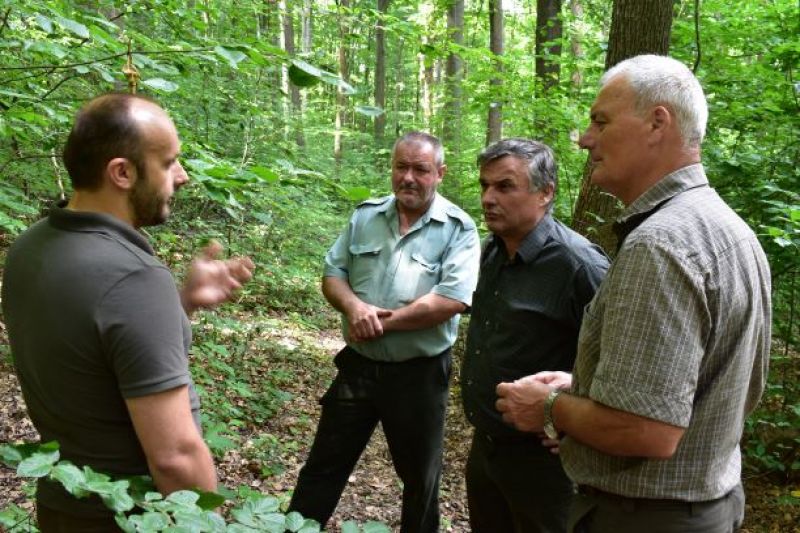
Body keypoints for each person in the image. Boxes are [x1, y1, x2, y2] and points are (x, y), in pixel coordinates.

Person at [495, 55, 772, 533]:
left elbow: (647, 430)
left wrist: (546, 406)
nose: (585, 139)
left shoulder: (660, 243)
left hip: (643, 517)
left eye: (600, 121)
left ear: (656, 123)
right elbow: (702, 386)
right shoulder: (729, 229)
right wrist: (581, 389)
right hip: (706, 504)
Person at [2, 93, 255, 530]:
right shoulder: (132, 278)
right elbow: (175, 458)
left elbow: (92, 352)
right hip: (132, 518)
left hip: (63, 508)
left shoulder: (30, 247)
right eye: (169, 162)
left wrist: (182, 303)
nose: (183, 176)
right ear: (122, 172)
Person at [288, 132, 480, 532]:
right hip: (360, 366)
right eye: (401, 166)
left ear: (439, 173)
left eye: (420, 169)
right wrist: (355, 307)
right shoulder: (365, 217)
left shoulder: (458, 229)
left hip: (420, 375)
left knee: (420, 480)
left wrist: (376, 322)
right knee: (323, 466)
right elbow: (333, 273)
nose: (408, 177)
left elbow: (452, 300)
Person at [461, 138, 609, 533]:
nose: (489, 197)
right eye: (484, 185)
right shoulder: (493, 251)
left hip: (546, 464)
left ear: (545, 194)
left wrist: (580, 424)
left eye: (505, 186)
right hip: (487, 447)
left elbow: (621, 359)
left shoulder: (578, 265)